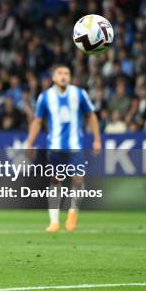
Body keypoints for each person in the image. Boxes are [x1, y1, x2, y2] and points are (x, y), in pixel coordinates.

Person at [24, 64, 101, 233]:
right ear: (53, 77)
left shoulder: (79, 94)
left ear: (70, 76)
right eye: (59, 73)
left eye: (66, 73)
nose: (63, 76)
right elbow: (37, 121)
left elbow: (91, 116)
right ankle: (54, 221)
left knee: (78, 179)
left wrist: (97, 139)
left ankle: (73, 212)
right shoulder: (45, 97)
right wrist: (29, 141)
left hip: (75, 146)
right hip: (55, 146)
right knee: (55, 179)